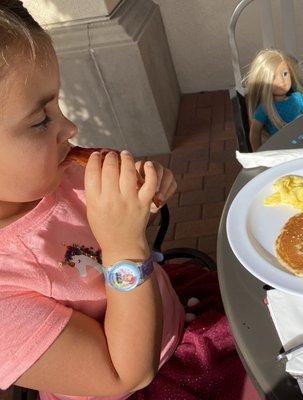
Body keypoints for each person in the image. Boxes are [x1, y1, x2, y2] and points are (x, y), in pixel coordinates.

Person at [0, 2, 259, 400]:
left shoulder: (57, 174)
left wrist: (142, 199)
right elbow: (124, 375)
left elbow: (111, 222)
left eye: (57, 104)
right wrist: (123, 247)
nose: (69, 126)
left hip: (177, 308)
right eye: (40, 120)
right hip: (158, 380)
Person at [245, 49, 303, 151]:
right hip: (282, 150)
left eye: (285, 74)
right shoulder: (265, 108)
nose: (282, 81)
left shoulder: (298, 98)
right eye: (273, 78)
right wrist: (258, 154)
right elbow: (254, 132)